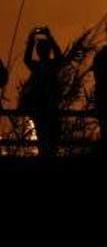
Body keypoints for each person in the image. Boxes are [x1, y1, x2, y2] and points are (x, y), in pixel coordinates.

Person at [21, 27, 65, 157]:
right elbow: (59, 56)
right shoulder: (52, 65)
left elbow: (27, 58)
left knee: (45, 136)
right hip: (48, 106)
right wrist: (49, 37)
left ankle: (44, 157)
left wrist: (31, 39)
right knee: (50, 137)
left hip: (43, 106)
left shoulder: (37, 67)